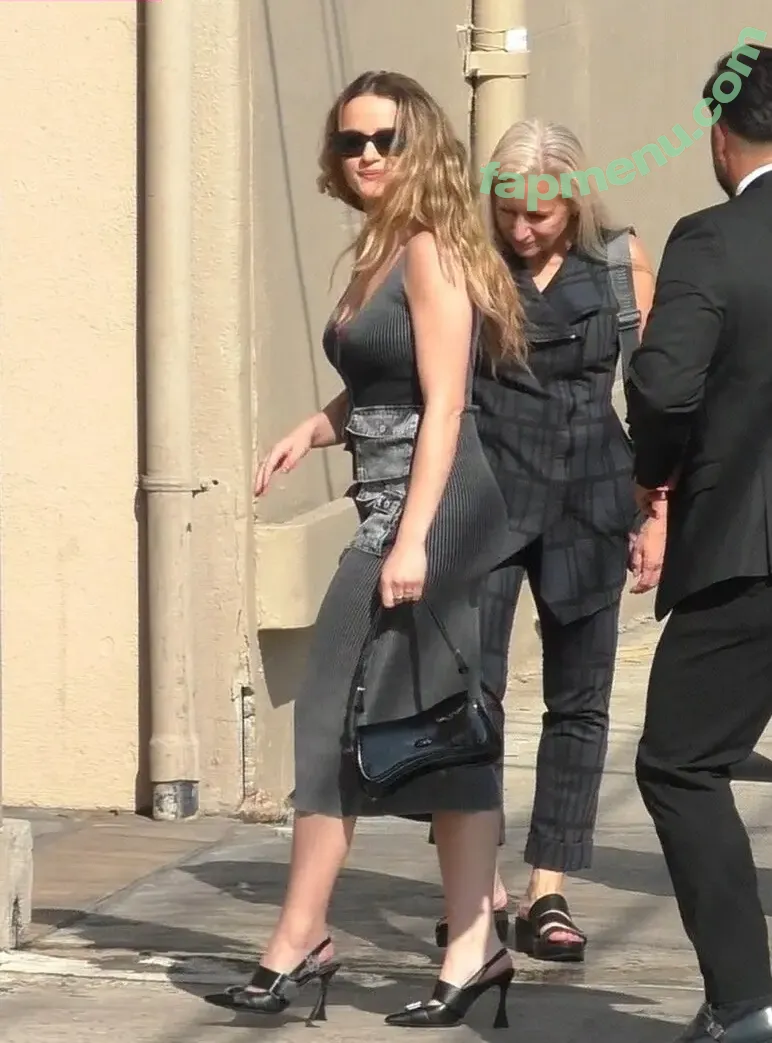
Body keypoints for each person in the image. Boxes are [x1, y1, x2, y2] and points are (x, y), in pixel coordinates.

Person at [204, 71, 529, 1029]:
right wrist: (315, 428)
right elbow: (385, 384)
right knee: (439, 721)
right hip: (396, 497)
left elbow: (447, 401)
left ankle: (303, 937)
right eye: (351, 142)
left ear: (419, 144)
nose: (368, 156)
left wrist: (413, 536)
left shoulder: (430, 248)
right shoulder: (380, 247)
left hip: (436, 507)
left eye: (385, 138)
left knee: (336, 716)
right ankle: (469, 947)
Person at [431, 119, 661, 962]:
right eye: (508, 212)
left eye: (541, 214)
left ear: (573, 202)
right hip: (488, 500)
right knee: (470, 696)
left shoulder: (618, 264)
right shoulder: (465, 262)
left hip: (592, 500)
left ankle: (548, 888)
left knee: (580, 699)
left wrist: (658, 511)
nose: (522, 230)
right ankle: (477, 883)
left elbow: (657, 394)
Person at [627, 44, 772, 1043]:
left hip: (747, 548)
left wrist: (655, 472)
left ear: (720, 135)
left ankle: (745, 1000)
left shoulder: (712, 238)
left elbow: (663, 384)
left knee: (681, 762)